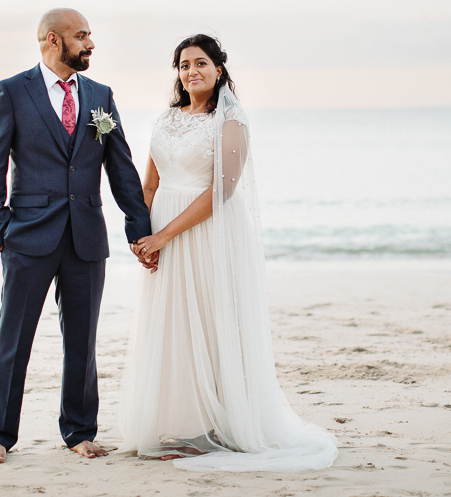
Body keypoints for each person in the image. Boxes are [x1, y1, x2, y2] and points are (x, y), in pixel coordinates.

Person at [118, 34, 338, 472]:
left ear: (219, 69)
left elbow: (222, 190)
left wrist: (164, 237)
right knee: (173, 323)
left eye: (200, 63)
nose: (191, 71)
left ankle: (210, 427)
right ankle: (178, 421)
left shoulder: (230, 122)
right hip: (161, 229)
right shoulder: (165, 119)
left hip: (208, 233)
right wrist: (140, 235)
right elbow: (149, 185)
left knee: (209, 320)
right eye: (183, 65)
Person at [0, 8, 152, 464]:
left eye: (91, 34)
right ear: (53, 40)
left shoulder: (100, 96)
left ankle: (78, 432)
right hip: (27, 239)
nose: (90, 44)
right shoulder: (12, 92)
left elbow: (121, 167)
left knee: (82, 341)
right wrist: (0, 232)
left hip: (86, 238)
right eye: (82, 36)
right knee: (13, 340)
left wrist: (139, 228)